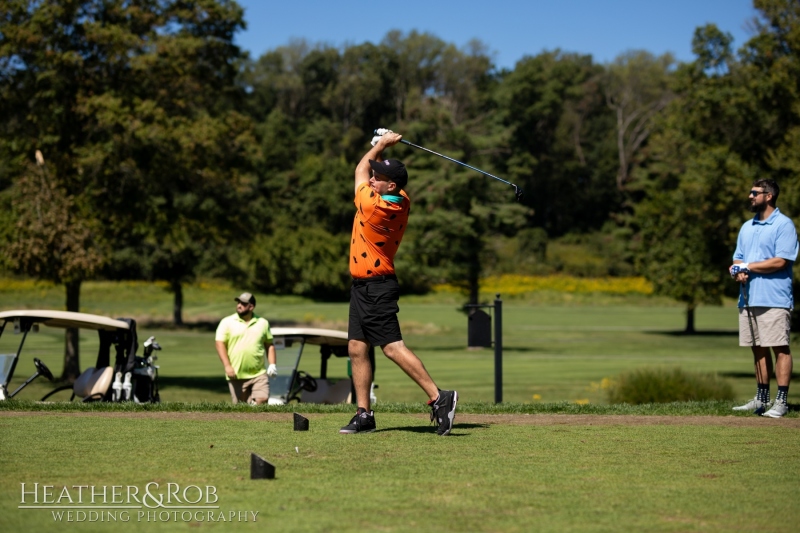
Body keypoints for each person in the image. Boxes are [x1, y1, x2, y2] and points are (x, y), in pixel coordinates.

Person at [340, 130, 458, 436]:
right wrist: (381, 152)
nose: (371, 181)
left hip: (376, 286)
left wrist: (380, 145)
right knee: (356, 347)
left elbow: (359, 171)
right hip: (363, 287)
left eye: (378, 179)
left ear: (390, 185)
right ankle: (364, 413)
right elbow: (372, 172)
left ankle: (438, 397)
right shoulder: (401, 199)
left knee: (391, 348)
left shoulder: (374, 207)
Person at [729, 179, 797, 418]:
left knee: (780, 347)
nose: (750, 196)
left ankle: (781, 402)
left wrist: (749, 266)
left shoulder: (783, 225)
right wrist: (738, 270)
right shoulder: (747, 226)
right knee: (757, 348)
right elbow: (738, 258)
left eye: (754, 193)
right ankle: (762, 397)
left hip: (774, 298)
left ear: (768, 196)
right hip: (748, 298)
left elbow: (781, 261)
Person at [215, 292, 277, 405]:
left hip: (259, 373)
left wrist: (272, 364)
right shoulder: (227, 322)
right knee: (242, 407)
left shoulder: (263, 323)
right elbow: (220, 344)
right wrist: (227, 366)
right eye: (238, 302)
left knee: (262, 399)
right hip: (236, 374)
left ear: (251, 307)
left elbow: (269, 345)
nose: (239, 305)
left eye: (243, 303)